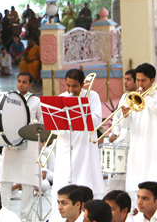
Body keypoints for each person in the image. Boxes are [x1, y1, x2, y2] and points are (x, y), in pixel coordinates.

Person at [50, 69, 105, 222]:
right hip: (66, 148)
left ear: (82, 85)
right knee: (63, 182)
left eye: (74, 86)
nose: (70, 90)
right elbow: (54, 126)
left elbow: (96, 121)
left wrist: (78, 110)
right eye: (68, 85)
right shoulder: (61, 98)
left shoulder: (92, 96)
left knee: (85, 183)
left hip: (84, 148)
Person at [122, 64, 157, 207]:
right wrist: (125, 116)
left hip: (155, 149)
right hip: (137, 149)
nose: (139, 84)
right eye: (137, 80)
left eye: (143, 80)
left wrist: (149, 98)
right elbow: (126, 126)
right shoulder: (131, 97)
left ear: (152, 80)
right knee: (135, 188)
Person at [0, 72, 41, 219]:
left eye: (24, 82)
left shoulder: (35, 101)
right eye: (19, 81)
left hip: (29, 145)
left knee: (28, 181)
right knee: (5, 180)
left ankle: (26, 217)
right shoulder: (9, 99)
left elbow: (41, 124)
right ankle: (3, 215)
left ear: (30, 85)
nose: (21, 84)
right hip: (10, 143)